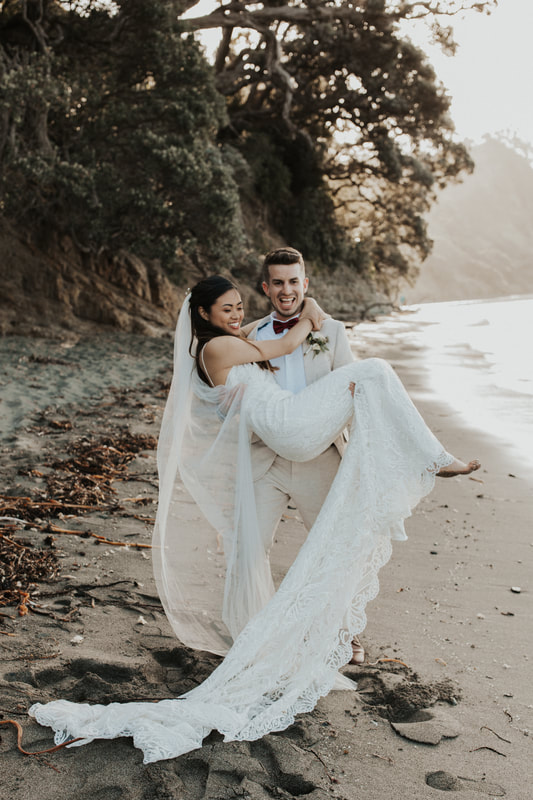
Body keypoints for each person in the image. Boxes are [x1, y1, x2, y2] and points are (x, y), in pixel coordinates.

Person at [29, 275, 480, 764]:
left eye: (240, 305)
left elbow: (268, 365)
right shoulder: (217, 348)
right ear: (202, 314)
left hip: (288, 428)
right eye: (226, 308)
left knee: (367, 376)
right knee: (373, 373)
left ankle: (411, 463)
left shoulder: (234, 343)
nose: (237, 314)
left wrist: (299, 335)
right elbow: (287, 342)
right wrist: (310, 310)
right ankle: (430, 458)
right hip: (286, 428)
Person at [247, 247, 365, 663]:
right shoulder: (251, 336)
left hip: (321, 456)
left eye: (294, 281)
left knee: (334, 546)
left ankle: (344, 631)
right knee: (249, 544)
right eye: (277, 282)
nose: (286, 290)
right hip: (267, 459)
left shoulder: (331, 331)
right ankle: (253, 627)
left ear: (305, 284)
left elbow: (351, 387)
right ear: (266, 287)